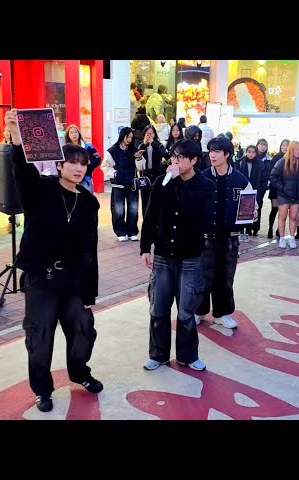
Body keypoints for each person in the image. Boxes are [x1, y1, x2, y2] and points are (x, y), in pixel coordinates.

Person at [3, 108, 102, 413]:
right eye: (72, 163)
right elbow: (22, 172)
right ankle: (42, 390)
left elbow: (91, 248)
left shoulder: (88, 202)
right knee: (40, 336)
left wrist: (89, 292)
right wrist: (18, 141)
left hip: (73, 281)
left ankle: (79, 372)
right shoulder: (41, 190)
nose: (78, 168)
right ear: (59, 165)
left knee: (84, 327)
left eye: (83, 164)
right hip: (42, 281)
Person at [140, 139, 215, 372]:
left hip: (190, 257)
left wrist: (175, 181)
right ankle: (158, 354)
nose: (176, 161)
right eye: (174, 156)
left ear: (193, 160)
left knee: (186, 311)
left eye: (181, 157)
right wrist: (145, 247)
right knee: (158, 308)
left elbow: (196, 214)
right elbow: (150, 214)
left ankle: (188, 355)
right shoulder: (162, 183)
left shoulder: (204, 185)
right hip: (162, 255)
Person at [196, 136, 257, 329]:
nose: (212, 155)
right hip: (206, 237)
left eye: (217, 152)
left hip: (230, 238)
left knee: (226, 277)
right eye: (211, 151)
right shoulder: (203, 177)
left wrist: (253, 213)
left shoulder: (240, 179)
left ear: (227, 154)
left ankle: (222, 313)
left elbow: (251, 207)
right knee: (203, 276)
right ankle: (198, 311)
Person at [101, 127, 142, 241]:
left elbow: (141, 167)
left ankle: (132, 231)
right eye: (127, 137)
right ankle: (120, 232)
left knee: (133, 209)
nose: (129, 139)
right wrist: (115, 174)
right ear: (122, 136)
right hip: (118, 185)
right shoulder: (112, 150)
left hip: (132, 184)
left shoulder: (134, 150)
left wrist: (139, 158)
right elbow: (105, 166)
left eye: (131, 137)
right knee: (118, 209)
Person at [64, 124, 102, 194]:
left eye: (75, 132)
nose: (74, 134)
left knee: (87, 198)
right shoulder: (66, 148)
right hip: (69, 178)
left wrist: (89, 165)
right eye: (71, 133)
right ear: (68, 135)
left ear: (79, 133)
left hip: (85, 178)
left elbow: (97, 158)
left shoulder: (87, 146)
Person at [1, 126, 22, 233]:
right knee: (9, 198)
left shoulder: (18, 144)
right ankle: (13, 220)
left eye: (10, 131)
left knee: (17, 196)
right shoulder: (1, 145)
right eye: (6, 131)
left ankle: (14, 220)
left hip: (17, 174)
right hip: (6, 175)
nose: (7, 133)